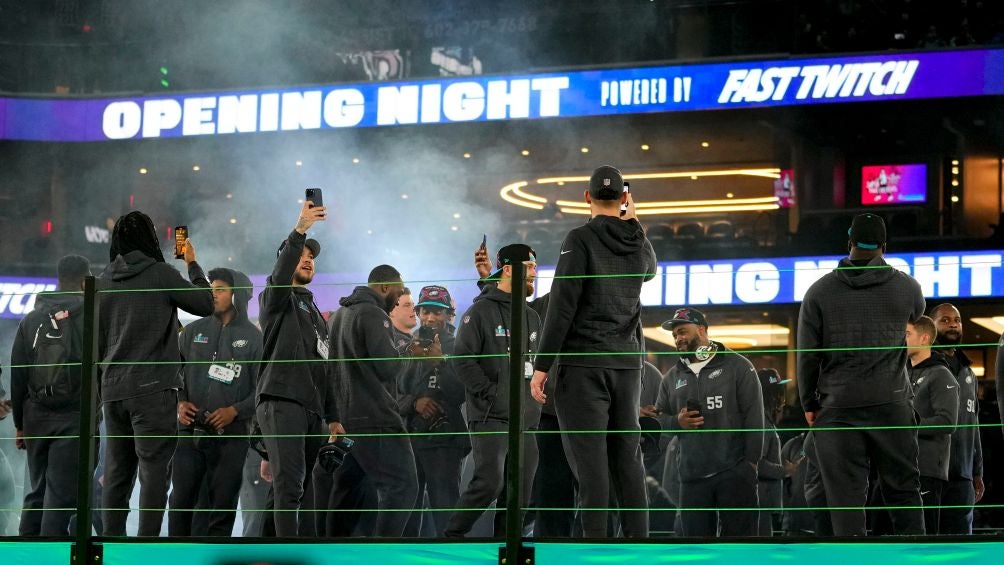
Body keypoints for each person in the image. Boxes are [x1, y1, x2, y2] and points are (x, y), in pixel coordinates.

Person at [530, 165, 657, 538]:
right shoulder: (637, 241)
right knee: (628, 463)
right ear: (623, 198)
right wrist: (634, 223)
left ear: (586, 197)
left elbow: (561, 307)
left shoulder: (579, 239)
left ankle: (595, 548)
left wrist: (542, 366)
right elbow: (650, 270)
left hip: (584, 366)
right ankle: (637, 545)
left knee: (591, 468)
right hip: (627, 368)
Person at [797, 212, 925, 536]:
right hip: (891, 402)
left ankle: (852, 557)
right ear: (884, 245)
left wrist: (808, 403)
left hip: (838, 406)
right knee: (904, 491)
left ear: (849, 241)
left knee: (845, 500)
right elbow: (917, 313)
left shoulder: (819, 291)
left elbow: (808, 355)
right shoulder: (907, 287)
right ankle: (917, 556)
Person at [98, 211, 214, 536]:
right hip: (153, 391)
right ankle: (145, 545)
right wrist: (192, 263)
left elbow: (97, 342)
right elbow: (206, 303)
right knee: (154, 473)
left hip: (113, 391)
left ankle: (112, 544)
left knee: (117, 473)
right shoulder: (160, 273)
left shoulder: (104, 279)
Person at [255, 200, 343, 537]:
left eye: (312, 257)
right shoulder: (275, 299)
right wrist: (300, 230)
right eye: (301, 255)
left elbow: (325, 368)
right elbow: (279, 276)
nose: (308, 259)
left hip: (311, 409)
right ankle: (288, 555)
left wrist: (333, 416)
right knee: (291, 487)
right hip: (282, 401)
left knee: (296, 490)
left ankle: (267, 549)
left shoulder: (315, 313)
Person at [445, 244, 542, 538]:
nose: (535, 272)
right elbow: (462, 360)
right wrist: (492, 393)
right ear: (509, 269)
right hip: (491, 416)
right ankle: (451, 538)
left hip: (526, 421)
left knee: (520, 495)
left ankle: (507, 550)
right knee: (489, 482)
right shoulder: (479, 312)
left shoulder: (532, 316)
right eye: (530, 266)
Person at [654, 308, 764, 537]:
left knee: (740, 548)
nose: (678, 338)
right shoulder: (672, 377)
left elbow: (754, 417)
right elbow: (657, 422)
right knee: (698, 550)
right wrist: (676, 422)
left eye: (682, 331)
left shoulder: (738, 366)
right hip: (692, 479)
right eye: (674, 335)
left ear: (702, 330)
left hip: (734, 473)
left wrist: (750, 465)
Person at [326, 264, 418, 537]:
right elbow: (388, 367)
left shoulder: (340, 315)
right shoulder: (373, 313)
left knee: (347, 491)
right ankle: (384, 553)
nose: (398, 299)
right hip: (375, 417)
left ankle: (334, 552)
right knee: (402, 486)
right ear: (385, 287)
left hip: (346, 419)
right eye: (398, 292)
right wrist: (410, 354)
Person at [169, 268, 262, 536]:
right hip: (189, 432)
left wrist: (235, 411)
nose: (213, 294)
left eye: (220, 290)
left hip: (232, 436)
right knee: (181, 501)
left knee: (221, 504)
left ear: (238, 295)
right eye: (212, 289)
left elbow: (262, 390)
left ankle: (213, 554)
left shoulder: (255, 338)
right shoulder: (191, 332)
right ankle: (174, 553)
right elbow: (173, 375)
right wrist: (180, 402)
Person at [10, 255, 91, 535]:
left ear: (58, 279)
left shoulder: (32, 318)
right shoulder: (91, 316)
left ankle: (27, 550)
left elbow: (18, 374)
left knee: (36, 490)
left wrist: (20, 424)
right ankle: (50, 552)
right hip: (74, 416)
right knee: (60, 494)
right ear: (85, 281)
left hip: (35, 416)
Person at [397, 285, 470, 536]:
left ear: (449, 314)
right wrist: (413, 402)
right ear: (418, 312)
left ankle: (450, 554)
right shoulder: (407, 345)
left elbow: (462, 393)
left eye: (437, 312)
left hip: (445, 439)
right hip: (410, 437)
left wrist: (441, 362)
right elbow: (391, 391)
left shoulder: (460, 346)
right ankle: (407, 555)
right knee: (408, 507)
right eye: (425, 311)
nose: (429, 318)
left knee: (445, 507)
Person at [929, 303, 984, 534]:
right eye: (945, 320)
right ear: (930, 327)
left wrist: (977, 471)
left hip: (962, 475)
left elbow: (974, 424)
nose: (953, 324)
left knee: (960, 542)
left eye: (957, 320)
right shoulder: (919, 366)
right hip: (928, 474)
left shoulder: (969, 372)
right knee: (927, 543)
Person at [905, 315, 959, 535]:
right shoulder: (902, 374)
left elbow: (948, 422)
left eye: (907, 334)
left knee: (924, 537)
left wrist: (909, 427)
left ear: (924, 338)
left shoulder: (941, 375)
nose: (902, 340)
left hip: (926, 470)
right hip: (901, 468)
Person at [756, 368, 788, 537]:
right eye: (779, 390)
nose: (783, 396)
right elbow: (757, 463)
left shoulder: (765, 420)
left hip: (765, 504)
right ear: (772, 395)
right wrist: (785, 470)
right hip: (760, 504)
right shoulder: (760, 423)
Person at [389, 288, 416, 353]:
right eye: (407, 305)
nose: (414, 309)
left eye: (413, 305)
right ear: (391, 311)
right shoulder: (391, 342)